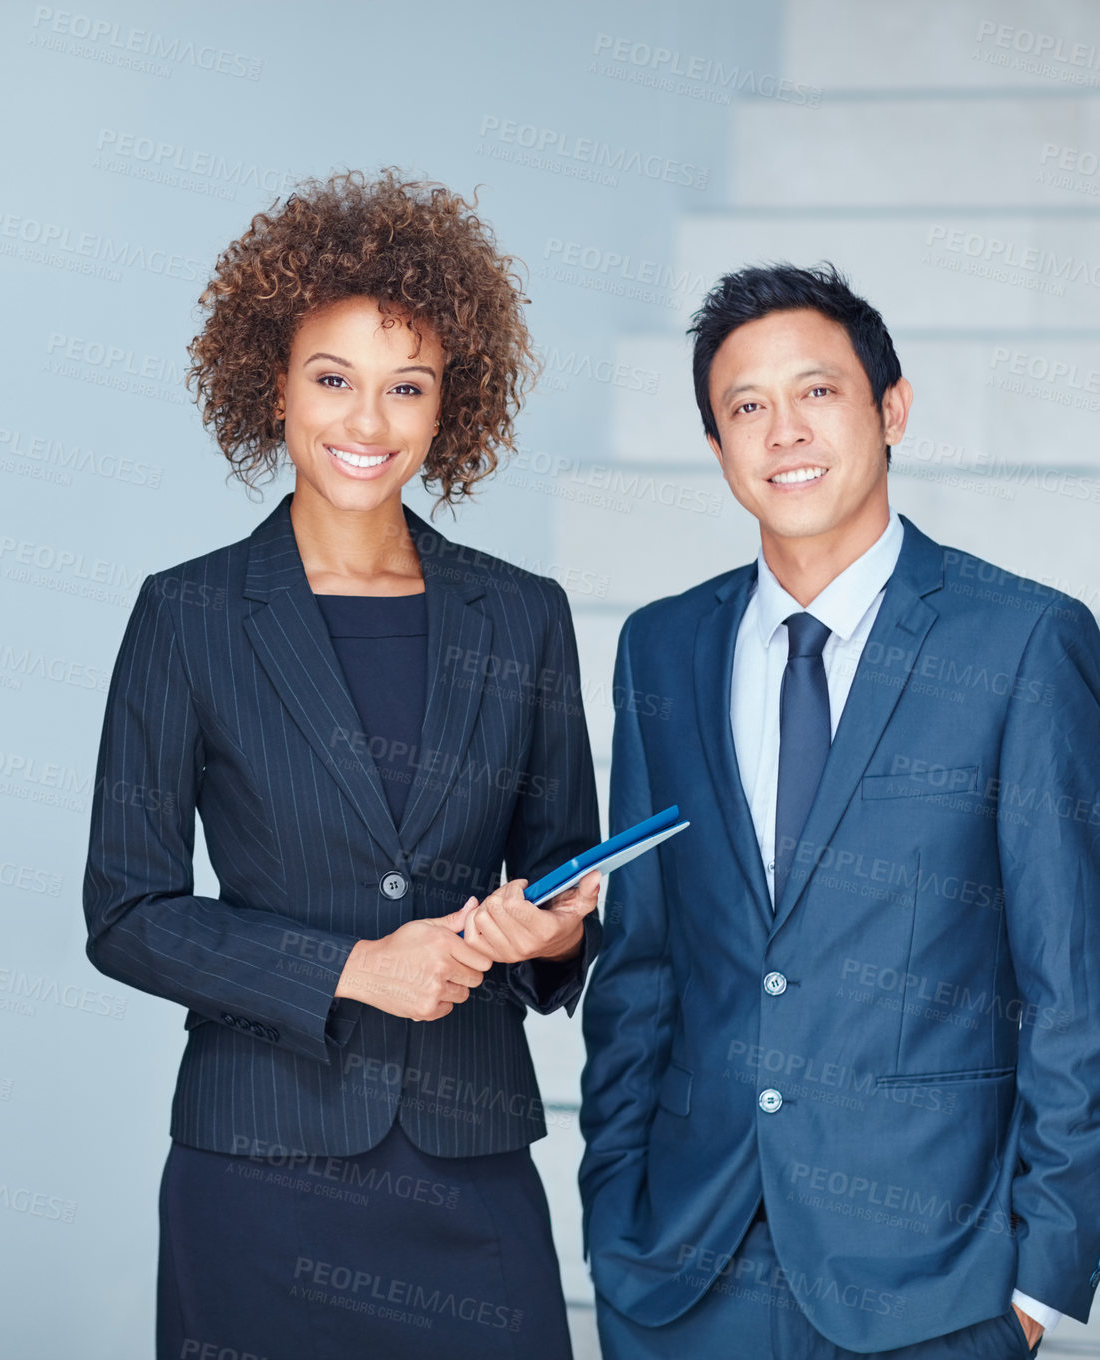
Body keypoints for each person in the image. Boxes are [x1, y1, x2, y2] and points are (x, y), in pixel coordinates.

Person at [83, 170, 603, 1360]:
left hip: (469, 1163)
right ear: (270, 381)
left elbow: (564, 872)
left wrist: (558, 928)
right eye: (332, 380)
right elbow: (125, 911)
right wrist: (350, 968)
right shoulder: (188, 615)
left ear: (445, 406)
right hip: (256, 1171)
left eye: (403, 387)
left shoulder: (522, 615)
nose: (366, 424)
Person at [580, 262, 1100, 1358]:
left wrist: (1041, 1273)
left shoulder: (1019, 644)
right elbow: (640, 962)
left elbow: (1074, 983)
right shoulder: (661, 648)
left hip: (937, 1281)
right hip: (682, 1272)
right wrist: (610, 1211)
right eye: (744, 407)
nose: (782, 433)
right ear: (717, 447)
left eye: (815, 392)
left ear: (889, 407)